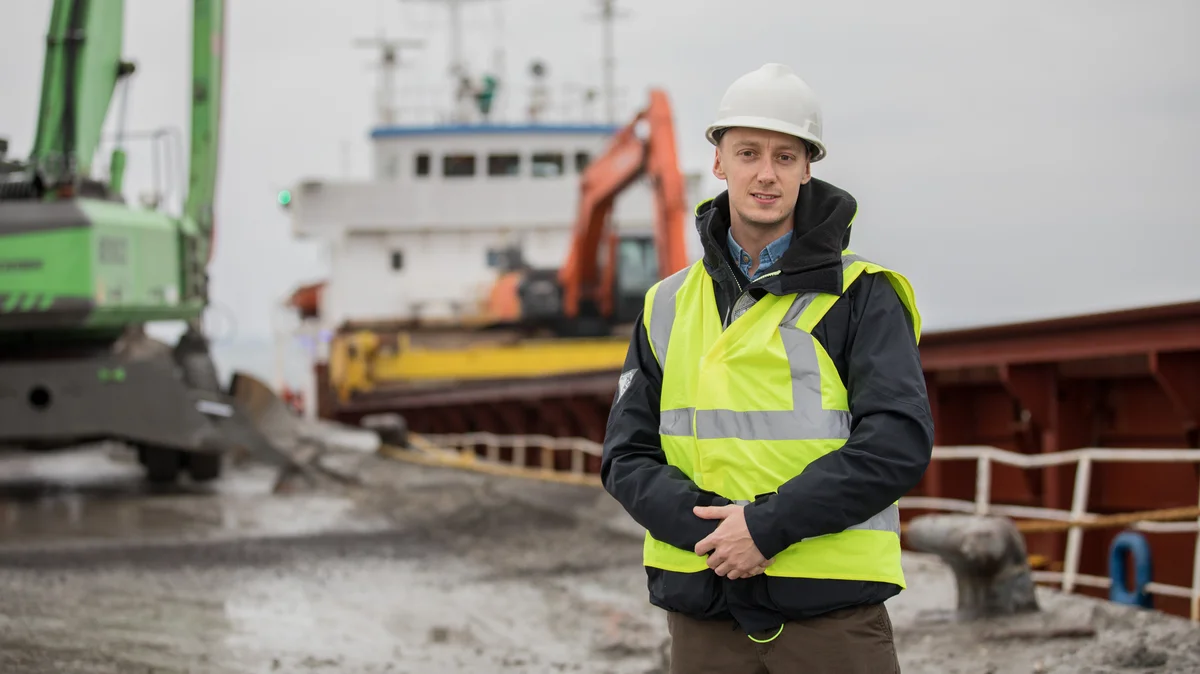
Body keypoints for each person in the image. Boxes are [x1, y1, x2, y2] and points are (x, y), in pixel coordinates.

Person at [600, 62, 935, 673]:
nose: (766, 173)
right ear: (719, 161)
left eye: (786, 156)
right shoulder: (667, 303)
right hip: (705, 614)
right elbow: (626, 456)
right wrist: (717, 536)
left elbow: (897, 442)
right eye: (748, 152)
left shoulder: (863, 295)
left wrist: (765, 527)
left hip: (830, 616)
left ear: (808, 168)